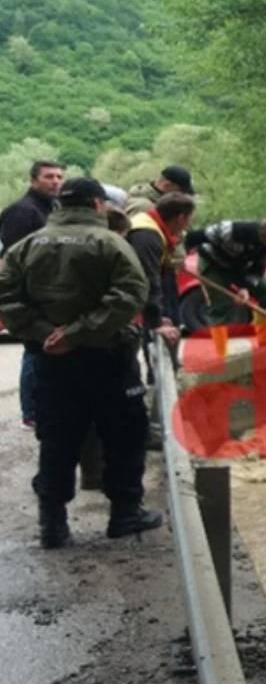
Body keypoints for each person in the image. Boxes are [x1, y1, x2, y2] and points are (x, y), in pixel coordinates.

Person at [0, 177, 161, 547]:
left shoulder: (26, 247)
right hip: (107, 359)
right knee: (125, 436)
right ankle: (125, 514)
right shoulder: (111, 244)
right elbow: (130, 294)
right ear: (97, 205)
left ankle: (52, 526)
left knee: (57, 439)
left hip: (52, 360)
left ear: (61, 205)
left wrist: (45, 333)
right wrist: (79, 331)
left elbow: (5, 294)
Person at [1, 160, 65, 430]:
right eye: (49, 176)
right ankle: (31, 411)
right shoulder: (21, 211)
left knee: (44, 352)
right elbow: (16, 257)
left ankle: (43, 407)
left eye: (60, 176)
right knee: (34, 351)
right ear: (33, 180)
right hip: (30, 293)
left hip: (50, 291)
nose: (55, 181)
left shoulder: (54, 207)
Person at [187, 218, 266, 340]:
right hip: (213, 263)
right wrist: (181, 256)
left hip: (239, 267)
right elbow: (194, 236)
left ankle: (264, 336)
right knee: (220, 304)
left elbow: (257, 269)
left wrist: (245, 289)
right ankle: (220, 346)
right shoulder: (233, 230)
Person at [125, 193, 194, 346]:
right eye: (189, 219)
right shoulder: (147, 235)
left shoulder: (148, 223)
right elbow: (149, 280)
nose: (187, 225)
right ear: (181, 218)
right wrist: (155, 322)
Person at [122, 165, 196, 217]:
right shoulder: (144, 207)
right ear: (166, 185)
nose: (181, 196)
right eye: (180, 192)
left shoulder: (157, 205)